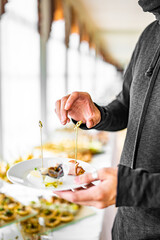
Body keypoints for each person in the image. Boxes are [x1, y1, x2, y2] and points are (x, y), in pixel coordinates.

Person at [54, 0, 160, 239]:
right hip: (125, 224)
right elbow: (125, 105)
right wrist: (97, 114)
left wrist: (133, 188)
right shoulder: (149, 35)